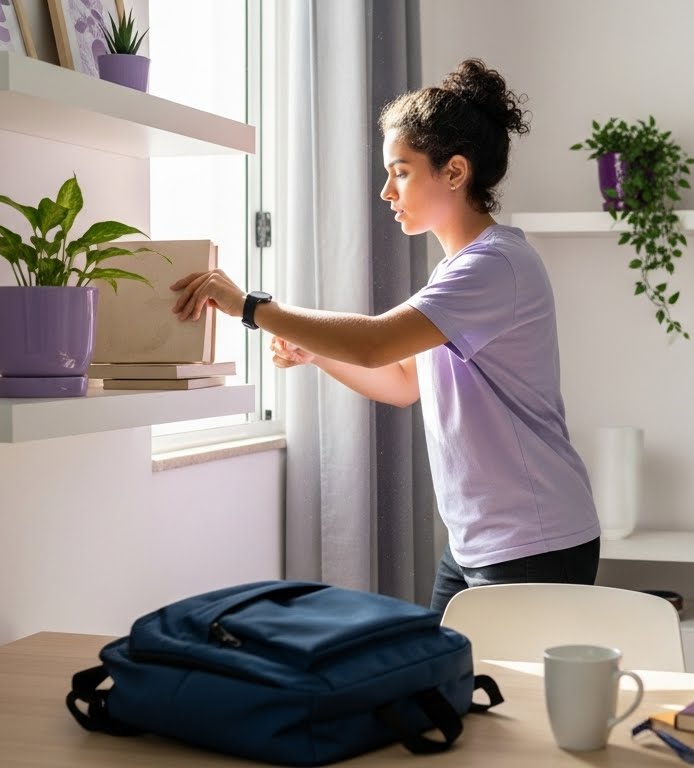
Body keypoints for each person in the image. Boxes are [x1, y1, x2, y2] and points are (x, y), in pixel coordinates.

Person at [170, 59, 601, 612]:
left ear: (454, 172)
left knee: (496, 696)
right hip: (476, 542)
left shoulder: (495, 267)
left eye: (400, 171)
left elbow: (375, 341)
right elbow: (401, 382)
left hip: (534, 541)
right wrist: (316, 353)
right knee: (452, 690)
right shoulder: (456, 272)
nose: (385, 191)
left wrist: (249, 306)